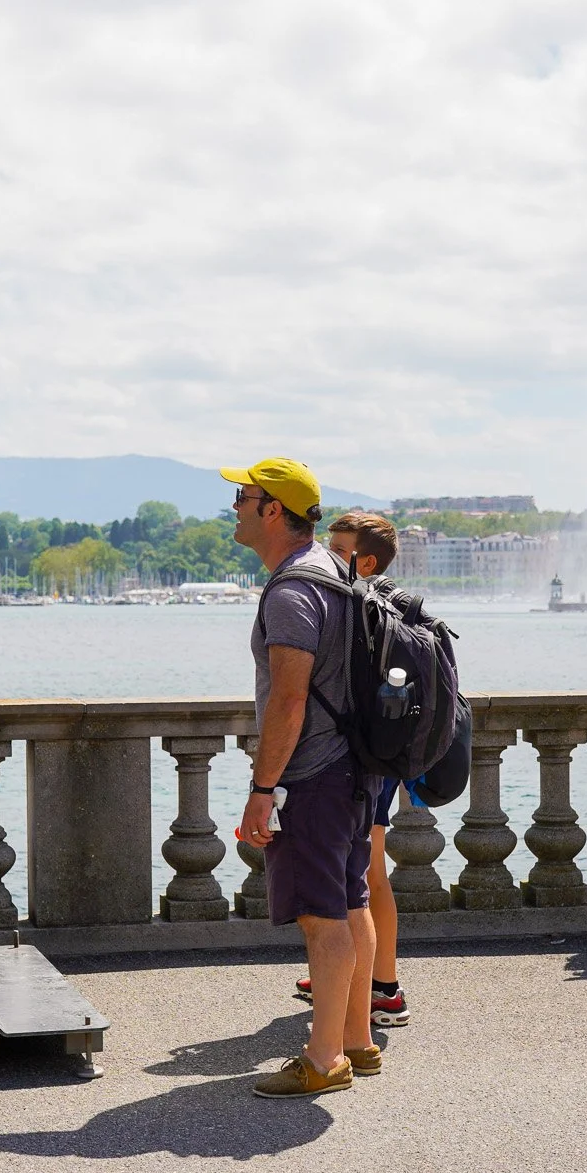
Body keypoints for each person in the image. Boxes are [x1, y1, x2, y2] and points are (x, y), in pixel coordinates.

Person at [224, 458, 381, 1098]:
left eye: (243, 496)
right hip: (355, 768)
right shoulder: (335, 572)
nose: (234, 506)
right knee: (349, 902)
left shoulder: (292, 592)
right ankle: (356, 1041)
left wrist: (263, 790)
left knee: (321, 917)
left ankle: (324, 1061)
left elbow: (289, 701)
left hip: (313, 774)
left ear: (272, 510)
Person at [291, 510, 410, 1028]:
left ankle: (383, 988)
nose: (327, 556)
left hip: (364, 759)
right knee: (354, 873)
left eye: (338, 549)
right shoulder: (368, 602)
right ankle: (343, 975)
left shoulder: (365, 606)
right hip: (370, 756)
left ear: (365, 561)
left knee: (367, 874)